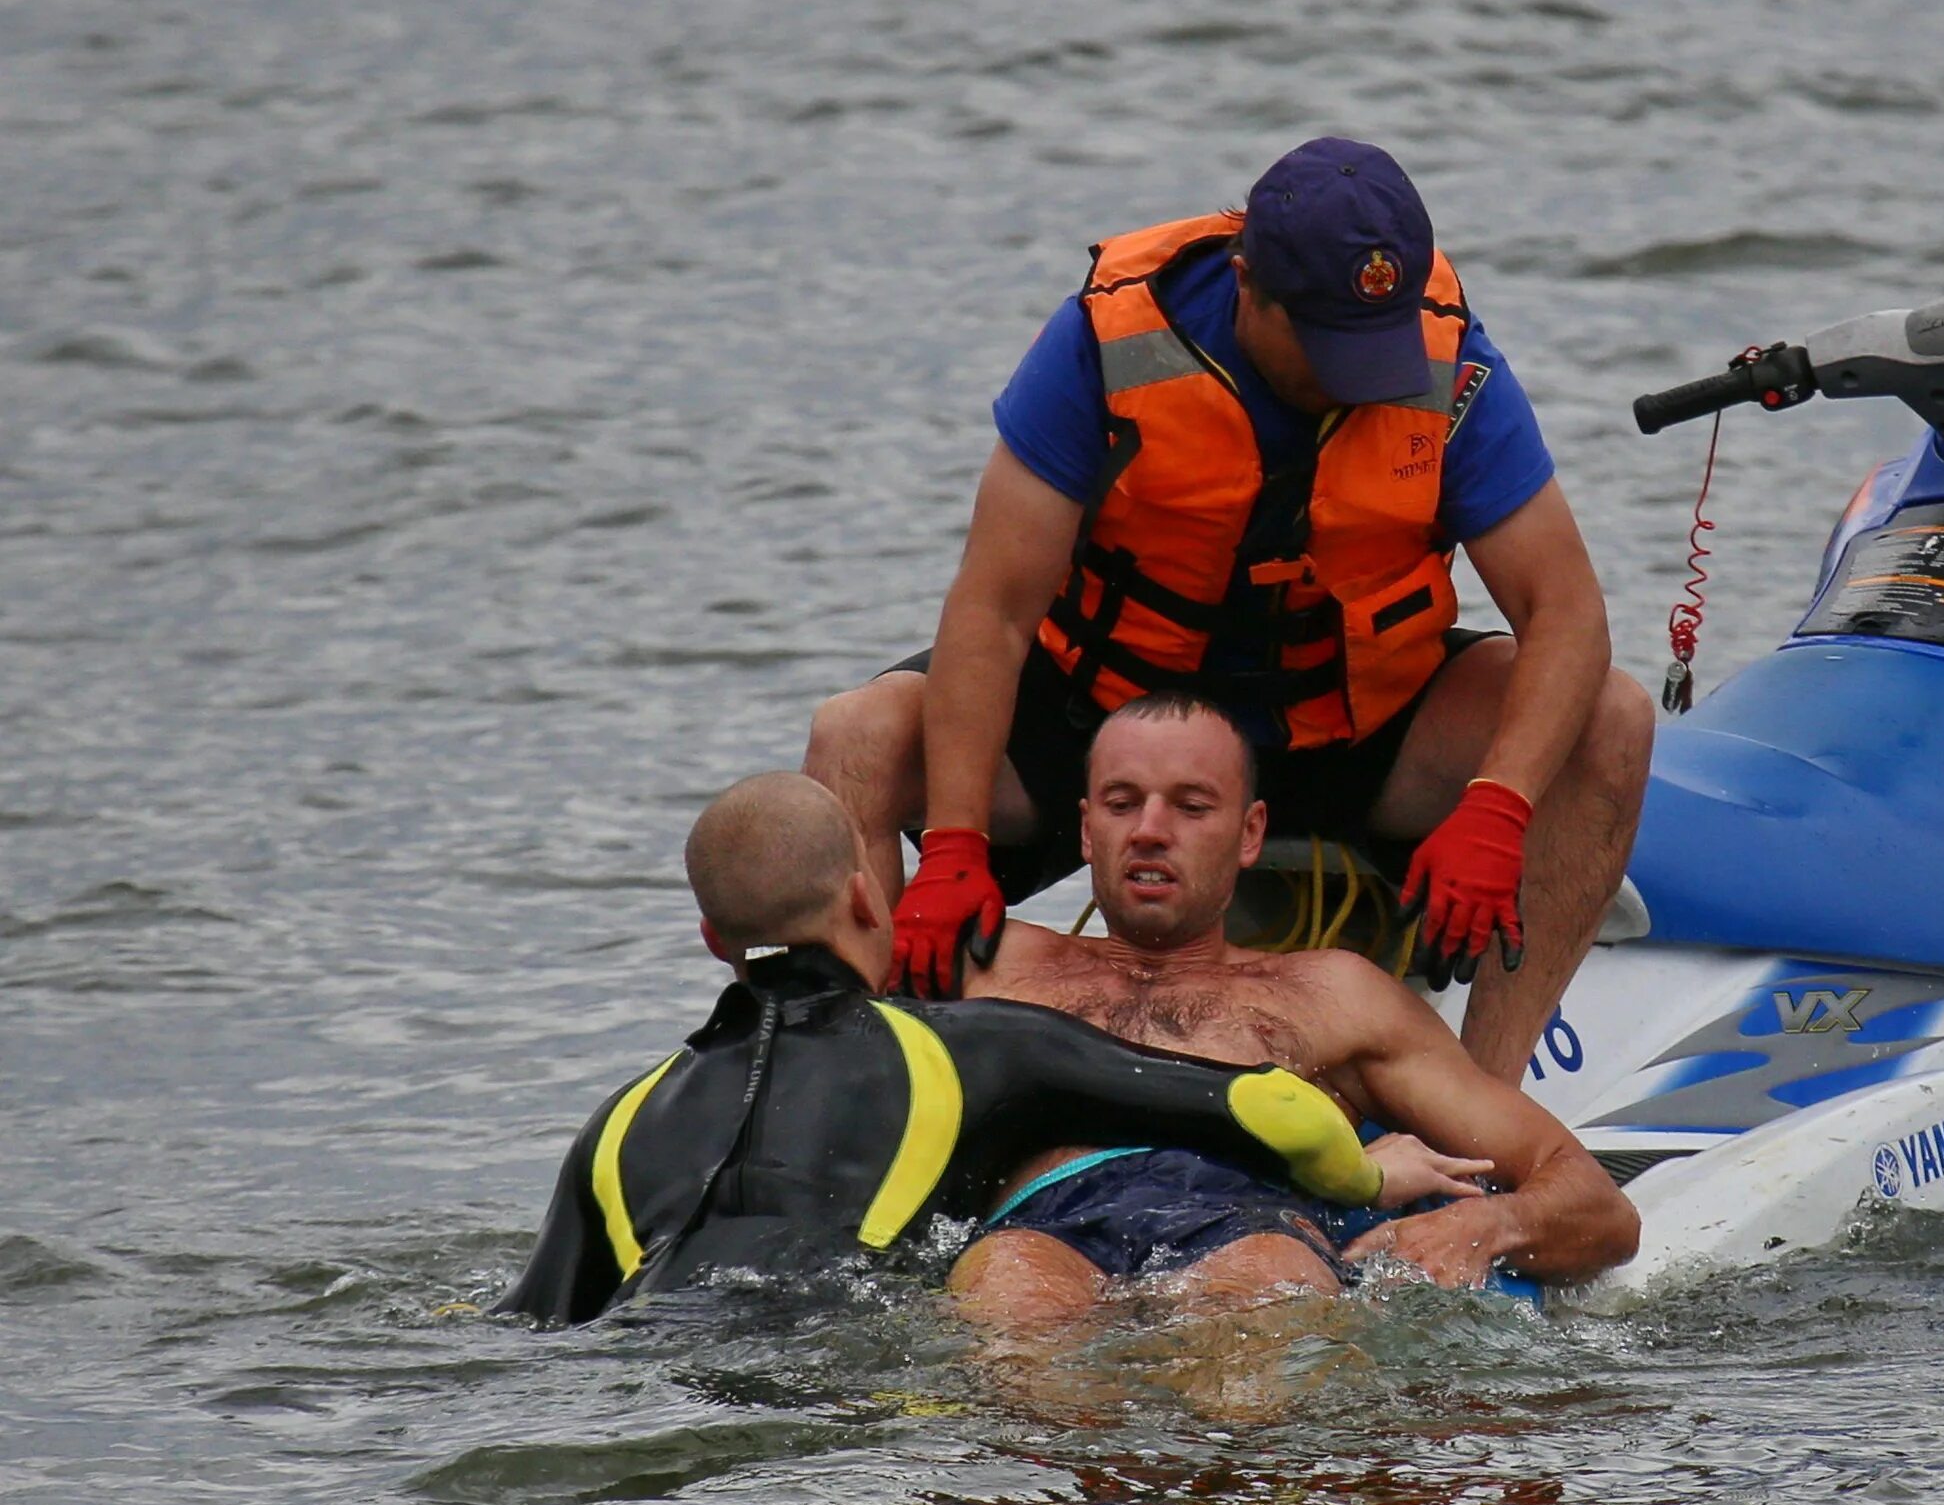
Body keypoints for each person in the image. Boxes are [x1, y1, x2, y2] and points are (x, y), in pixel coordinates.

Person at [804, 137, 1653, 1079]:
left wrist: (1498, 809)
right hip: (1110, 730)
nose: (1356, 377)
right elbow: (993, 613)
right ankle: (863, 1092)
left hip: (1343, 732)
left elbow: (1567, 612)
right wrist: (956, 843)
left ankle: (1489, 1112)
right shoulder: (1109, 344)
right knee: (857, 735)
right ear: (1250, 283)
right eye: (1329, 343)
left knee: (1608, 720)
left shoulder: (1443, 358)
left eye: (1375, 345)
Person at [497, 772, 1419, 1329]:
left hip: (648, 1349)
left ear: (711, 938)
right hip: (828, 1366)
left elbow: (530, 1322)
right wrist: (1374, 1176)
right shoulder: (967, 1052)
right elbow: (1270, 1108)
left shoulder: (619, 1120)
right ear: (868, 901)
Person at [945, 692, 1641, 1332]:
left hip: (1254, 1229)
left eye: (1191, 806)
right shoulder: (987, 964)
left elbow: (1594, 1202)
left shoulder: (1333, 996)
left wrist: (1488, 1225)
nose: (1151, 830)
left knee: (1262, 1288)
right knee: (1010, 1290)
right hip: (1041, 1227)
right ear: (1087, 830)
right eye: (1122, 803)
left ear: (1250, 833)